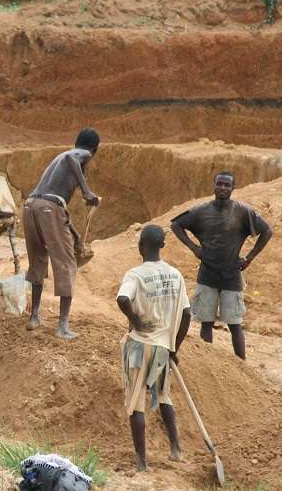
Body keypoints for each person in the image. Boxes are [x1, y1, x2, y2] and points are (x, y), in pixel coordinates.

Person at [171, 171, 273, 359]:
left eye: (227, 185)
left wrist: (249, 258)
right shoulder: (201, 211)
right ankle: (210, 364)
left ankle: (242, 367)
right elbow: (176, 225)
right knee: (206, 323)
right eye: (220, 184)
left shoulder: (243, 211)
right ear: (214, 185)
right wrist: (194, 248)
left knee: (235, 325)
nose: (223, 188)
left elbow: (267, 231)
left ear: (233, 188)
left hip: (232, 276)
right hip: (207, 275)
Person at [116, 225, 191, 472]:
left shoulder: (135, 275)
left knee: (136, 402)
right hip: (162, 348)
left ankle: (141, 463)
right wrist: (173, 348)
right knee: (163, 396)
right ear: (162, 245)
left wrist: (136, 322)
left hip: (139, 346)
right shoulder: (176, 275)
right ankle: (176, 449)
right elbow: (187, 314)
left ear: (140, 246)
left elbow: (123, 299)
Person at [23, 128, 101, 339]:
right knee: (67, 265)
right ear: (94, 150)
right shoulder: (78, 154)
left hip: (31, 206)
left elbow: (59, 214)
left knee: (38, 260)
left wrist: (76, 237)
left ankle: (35, 316)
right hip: (49, 207)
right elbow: (71, 158)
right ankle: (62, 326)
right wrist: (86, 191)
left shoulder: (59, 161)